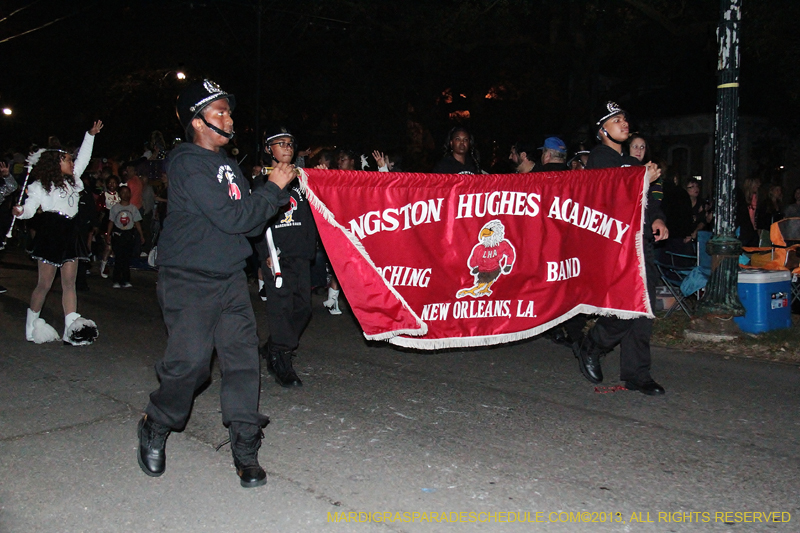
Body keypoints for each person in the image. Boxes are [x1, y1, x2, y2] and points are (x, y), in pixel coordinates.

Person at [136, 79, 294, 488]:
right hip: (189, 278)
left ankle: (245, 445)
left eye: (228, 110)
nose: (229, 117)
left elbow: (249, 218)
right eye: (220, 111)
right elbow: (235, 218)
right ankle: (158, 422)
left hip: (228, 279)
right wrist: (274, 188)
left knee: (242, 363)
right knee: (189, 365)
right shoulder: (187, 162)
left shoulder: (230, 166)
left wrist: (274, 194)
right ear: (198, 121)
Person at [575, 101, 667, 396]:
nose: (624, 123)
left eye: (625, 118)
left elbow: (647, 200)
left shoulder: (632, 163)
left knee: (644, 310)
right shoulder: (599, 160)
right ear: (602, 130)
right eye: (615, 120)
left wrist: (657, 218)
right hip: (618, 245)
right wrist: (643, 180)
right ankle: (595, 342)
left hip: (642, 243)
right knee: (626, 308)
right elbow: (613, 198)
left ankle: (637, 374)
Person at [12, 120, 104, 345]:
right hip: (52, 232)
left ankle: (70, 331)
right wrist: (21, 211)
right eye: (68, 159)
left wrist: (90, 135)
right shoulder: (41, 186)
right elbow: (31, 208)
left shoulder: (74, 180)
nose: (72, 162)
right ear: (56, 163)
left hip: (71, 232)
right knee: (44, 283)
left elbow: (83, 158)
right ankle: (31, 326)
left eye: (71, 160)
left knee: (69, 282)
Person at [255, 127, 317, 387]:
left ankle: (273, 344)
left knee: (303, 307)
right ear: (269, 150)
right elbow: (253, 219)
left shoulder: (303, 178)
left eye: (290, 143)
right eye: (280, 144)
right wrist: (264, 254)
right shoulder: (261, 182)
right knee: (281, 308)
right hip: (276, 256)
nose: (287, 147)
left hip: (300, 253)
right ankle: (281, 356)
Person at [107, 185, 144, 288]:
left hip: (129, 234)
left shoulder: (133, 208)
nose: (125, 195)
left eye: (127, 193)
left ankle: (126, 280)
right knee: (119, 258)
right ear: (119, 195)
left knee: (127, 258)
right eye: (123, 192)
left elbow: (137, 222)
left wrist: (141, 235)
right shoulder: (115, 208)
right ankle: (116, 280)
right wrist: (108, 235)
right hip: (118, 235)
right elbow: (111, 222)